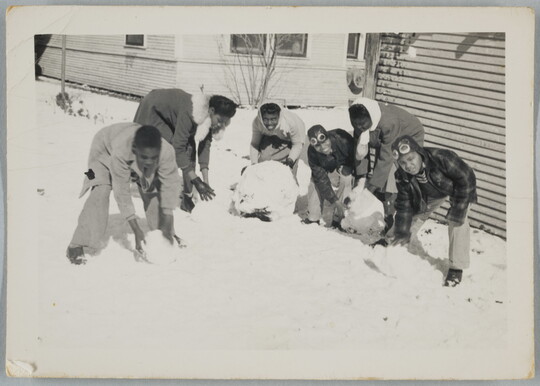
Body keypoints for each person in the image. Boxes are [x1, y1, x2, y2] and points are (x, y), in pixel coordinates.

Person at [66, 123, 183, 265]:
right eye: (145, 158)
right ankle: (77, 243)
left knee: (152, 189)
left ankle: (163, 233)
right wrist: (136, 230)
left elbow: (170, 189)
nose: (149, 162)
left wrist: (167, 227)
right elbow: (121, 192)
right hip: (103, 149)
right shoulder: (121, 151)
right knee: (101, 188)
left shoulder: (167, 152)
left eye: (153, 158)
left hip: (133, 150)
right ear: (135, 151)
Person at [386, 135, 477, 287]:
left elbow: (467, 177)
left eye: (411, 158)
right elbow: (404, 206)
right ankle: (392, 241)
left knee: (457, 221)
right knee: (413, 216)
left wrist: (458, 209)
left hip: (459, 188)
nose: (408, 165)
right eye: (402, 162)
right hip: (431, 193)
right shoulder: (401, 176)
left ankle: (457, 267)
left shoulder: (441, 157)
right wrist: (401, 232)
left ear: (419, 153)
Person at [134, 88, 238, 212]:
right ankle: (140, 174)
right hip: (153, 108)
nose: (221, 125)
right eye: (220, 121)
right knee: (160, 145)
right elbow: (178, 147)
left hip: (171, 113)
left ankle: (187, 196)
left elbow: (205, 146)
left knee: (189, 150)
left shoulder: (211, 117)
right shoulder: (190, 112)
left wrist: (205, 181)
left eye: (225, 123)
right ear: (211, 110)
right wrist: (195, 179)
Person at [348, 97, 425, 231]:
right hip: (385, 140)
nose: (359, 128)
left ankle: (393, 215)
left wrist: (370, 190)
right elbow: (360, 152)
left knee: (390, 178)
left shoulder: (389, 122)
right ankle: (387, 208)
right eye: (356, 125)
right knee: (380, 178)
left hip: (408, 136)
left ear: (371, 117)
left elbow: (386, 158)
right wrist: (361, 178)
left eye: (362, 125)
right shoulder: (360, 123)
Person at [302, 125, 355, 227]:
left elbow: (356, 158)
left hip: (343, 165)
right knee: (315, 181)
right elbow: (320, 178)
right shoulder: (312, 152)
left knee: (346, 177)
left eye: (325, 142)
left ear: (328, 137)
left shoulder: (342, 139)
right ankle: (313, 217)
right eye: (317, 146)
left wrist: (349, 167)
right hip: (326, 168)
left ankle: (339, 218)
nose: (323, 147)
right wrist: (334, 200)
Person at [250, 101, 305, 170]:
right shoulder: (257, 122)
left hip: (290, 139)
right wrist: (254, 164)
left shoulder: (290, 123)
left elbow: (297, 144)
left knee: (288, 171)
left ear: (279, 117)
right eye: (265, 119)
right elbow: (255, 144)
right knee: (264, 160)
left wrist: (291, 159)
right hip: (271, 135)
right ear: (261, 118)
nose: (269, 123)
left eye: (273, 119)